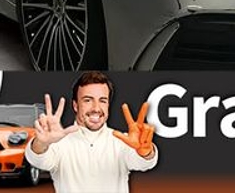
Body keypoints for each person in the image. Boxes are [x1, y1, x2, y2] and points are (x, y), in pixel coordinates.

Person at [25, 71, 157, 193]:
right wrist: (41, 143)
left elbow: (143, 163)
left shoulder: (122, 141)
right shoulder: (59, 143)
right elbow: (38, 160)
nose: (96, 108)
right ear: (75, 105)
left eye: (102, 101)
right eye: (88, 100)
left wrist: (146, 153)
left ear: (108, 105)